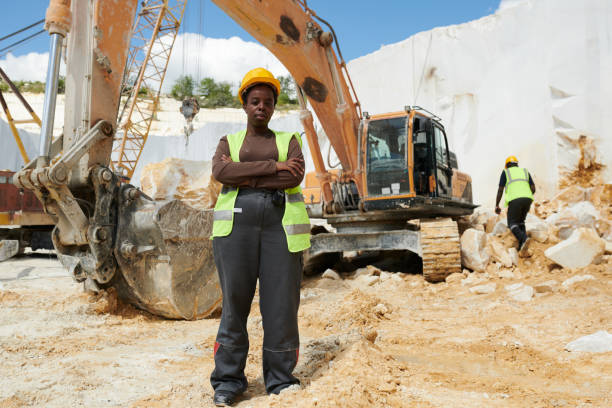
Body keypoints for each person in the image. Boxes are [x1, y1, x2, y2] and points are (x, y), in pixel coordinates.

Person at [209, 67, 311, 407]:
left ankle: (280, 380)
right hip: (234, 231)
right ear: (244, 103)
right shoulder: (230, 141)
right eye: (255, 101)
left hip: (280, 231)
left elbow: (294, 176)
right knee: (234, 307)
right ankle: (227, 382)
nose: (261, 107)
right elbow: (221, 172)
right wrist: (272, 168)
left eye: (267, 102)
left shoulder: (289, 140)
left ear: (273, 106)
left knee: (280, 306)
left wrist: (244, 177)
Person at [495, 155, 536, 257]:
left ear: (507, 165)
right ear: (516, 164)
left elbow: (500, 189)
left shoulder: (506, 172)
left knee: (512, 223)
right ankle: (523, 247)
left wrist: (497, 205)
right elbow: (533, 188)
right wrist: (526, 196)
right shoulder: (525, 171)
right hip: (528, 198)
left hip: (515, 199)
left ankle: (524, 239)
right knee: (521, 222)